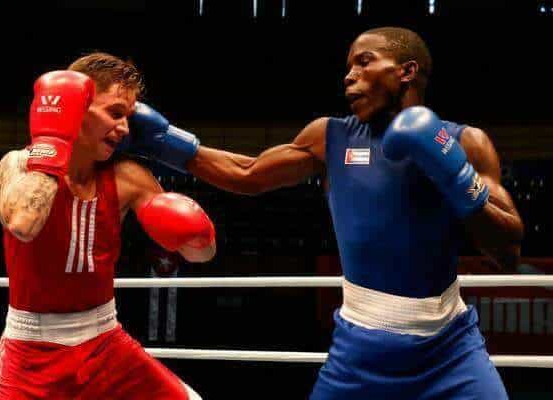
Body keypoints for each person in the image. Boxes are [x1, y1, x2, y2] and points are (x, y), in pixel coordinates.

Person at [120, 27, 525, 398]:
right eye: (348, 67)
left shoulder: (465, 143)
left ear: (407, 71)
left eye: (364, 62)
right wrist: (163, 140)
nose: (350, 76)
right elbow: (247, 174)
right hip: (360, 354)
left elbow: (508, 252)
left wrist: (457, 178)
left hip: (450, 351)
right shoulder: (331, 137)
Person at [0, 53, 215, 399]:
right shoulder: (19, 164)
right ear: (76, 108)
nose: (124, 128)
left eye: (128, 117)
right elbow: (24, 223)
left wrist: (196, 231)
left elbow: (200, 254)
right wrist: (54, 143)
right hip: (32, 353)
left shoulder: (126, 177)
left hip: (105, 342)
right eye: (115, 113)